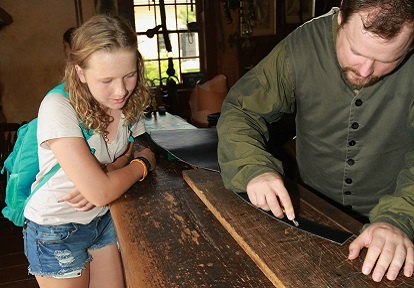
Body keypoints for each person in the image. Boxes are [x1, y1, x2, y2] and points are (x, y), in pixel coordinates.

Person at [217, 0, 414, 283]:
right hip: (310, 212)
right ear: (341, 15)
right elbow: (242, 109)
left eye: (388, 60)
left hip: (396, 221)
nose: (366, 70)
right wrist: (254, 167)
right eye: (356, 51)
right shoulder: (301, 46)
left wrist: (399, 217)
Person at [23, 14, 156, 288]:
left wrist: (111, 171)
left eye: (129, 75)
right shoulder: (58, 106)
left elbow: (140, 147)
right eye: (106, 80)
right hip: (55, 228)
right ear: (80, 72)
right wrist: (142, 166)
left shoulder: (130, 101)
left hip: (102, 218)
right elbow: (101, 190)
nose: (121, 90)